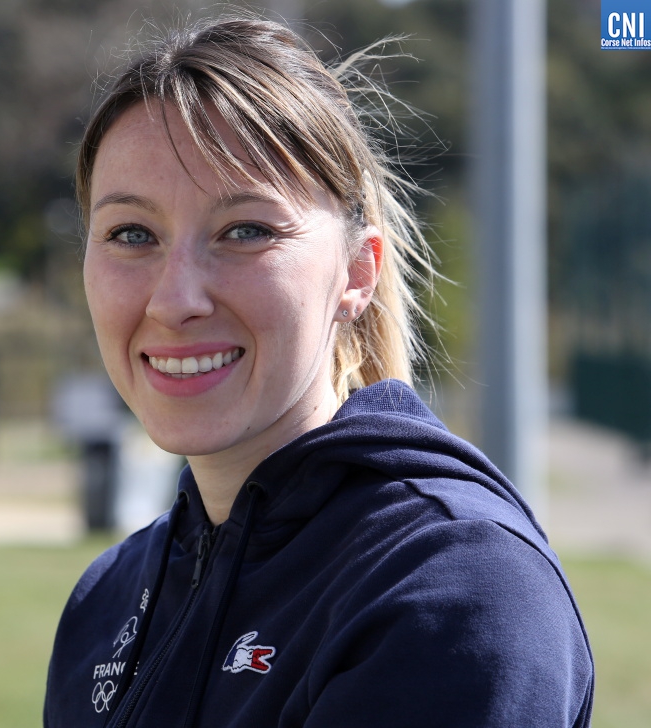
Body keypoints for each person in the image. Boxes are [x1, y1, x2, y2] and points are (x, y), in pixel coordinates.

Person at [44, 13, 594, 728]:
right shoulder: (107, 598)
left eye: (246, 230)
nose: (176, 300)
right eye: (131, 234)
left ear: (357, 271)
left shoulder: (452, 589)